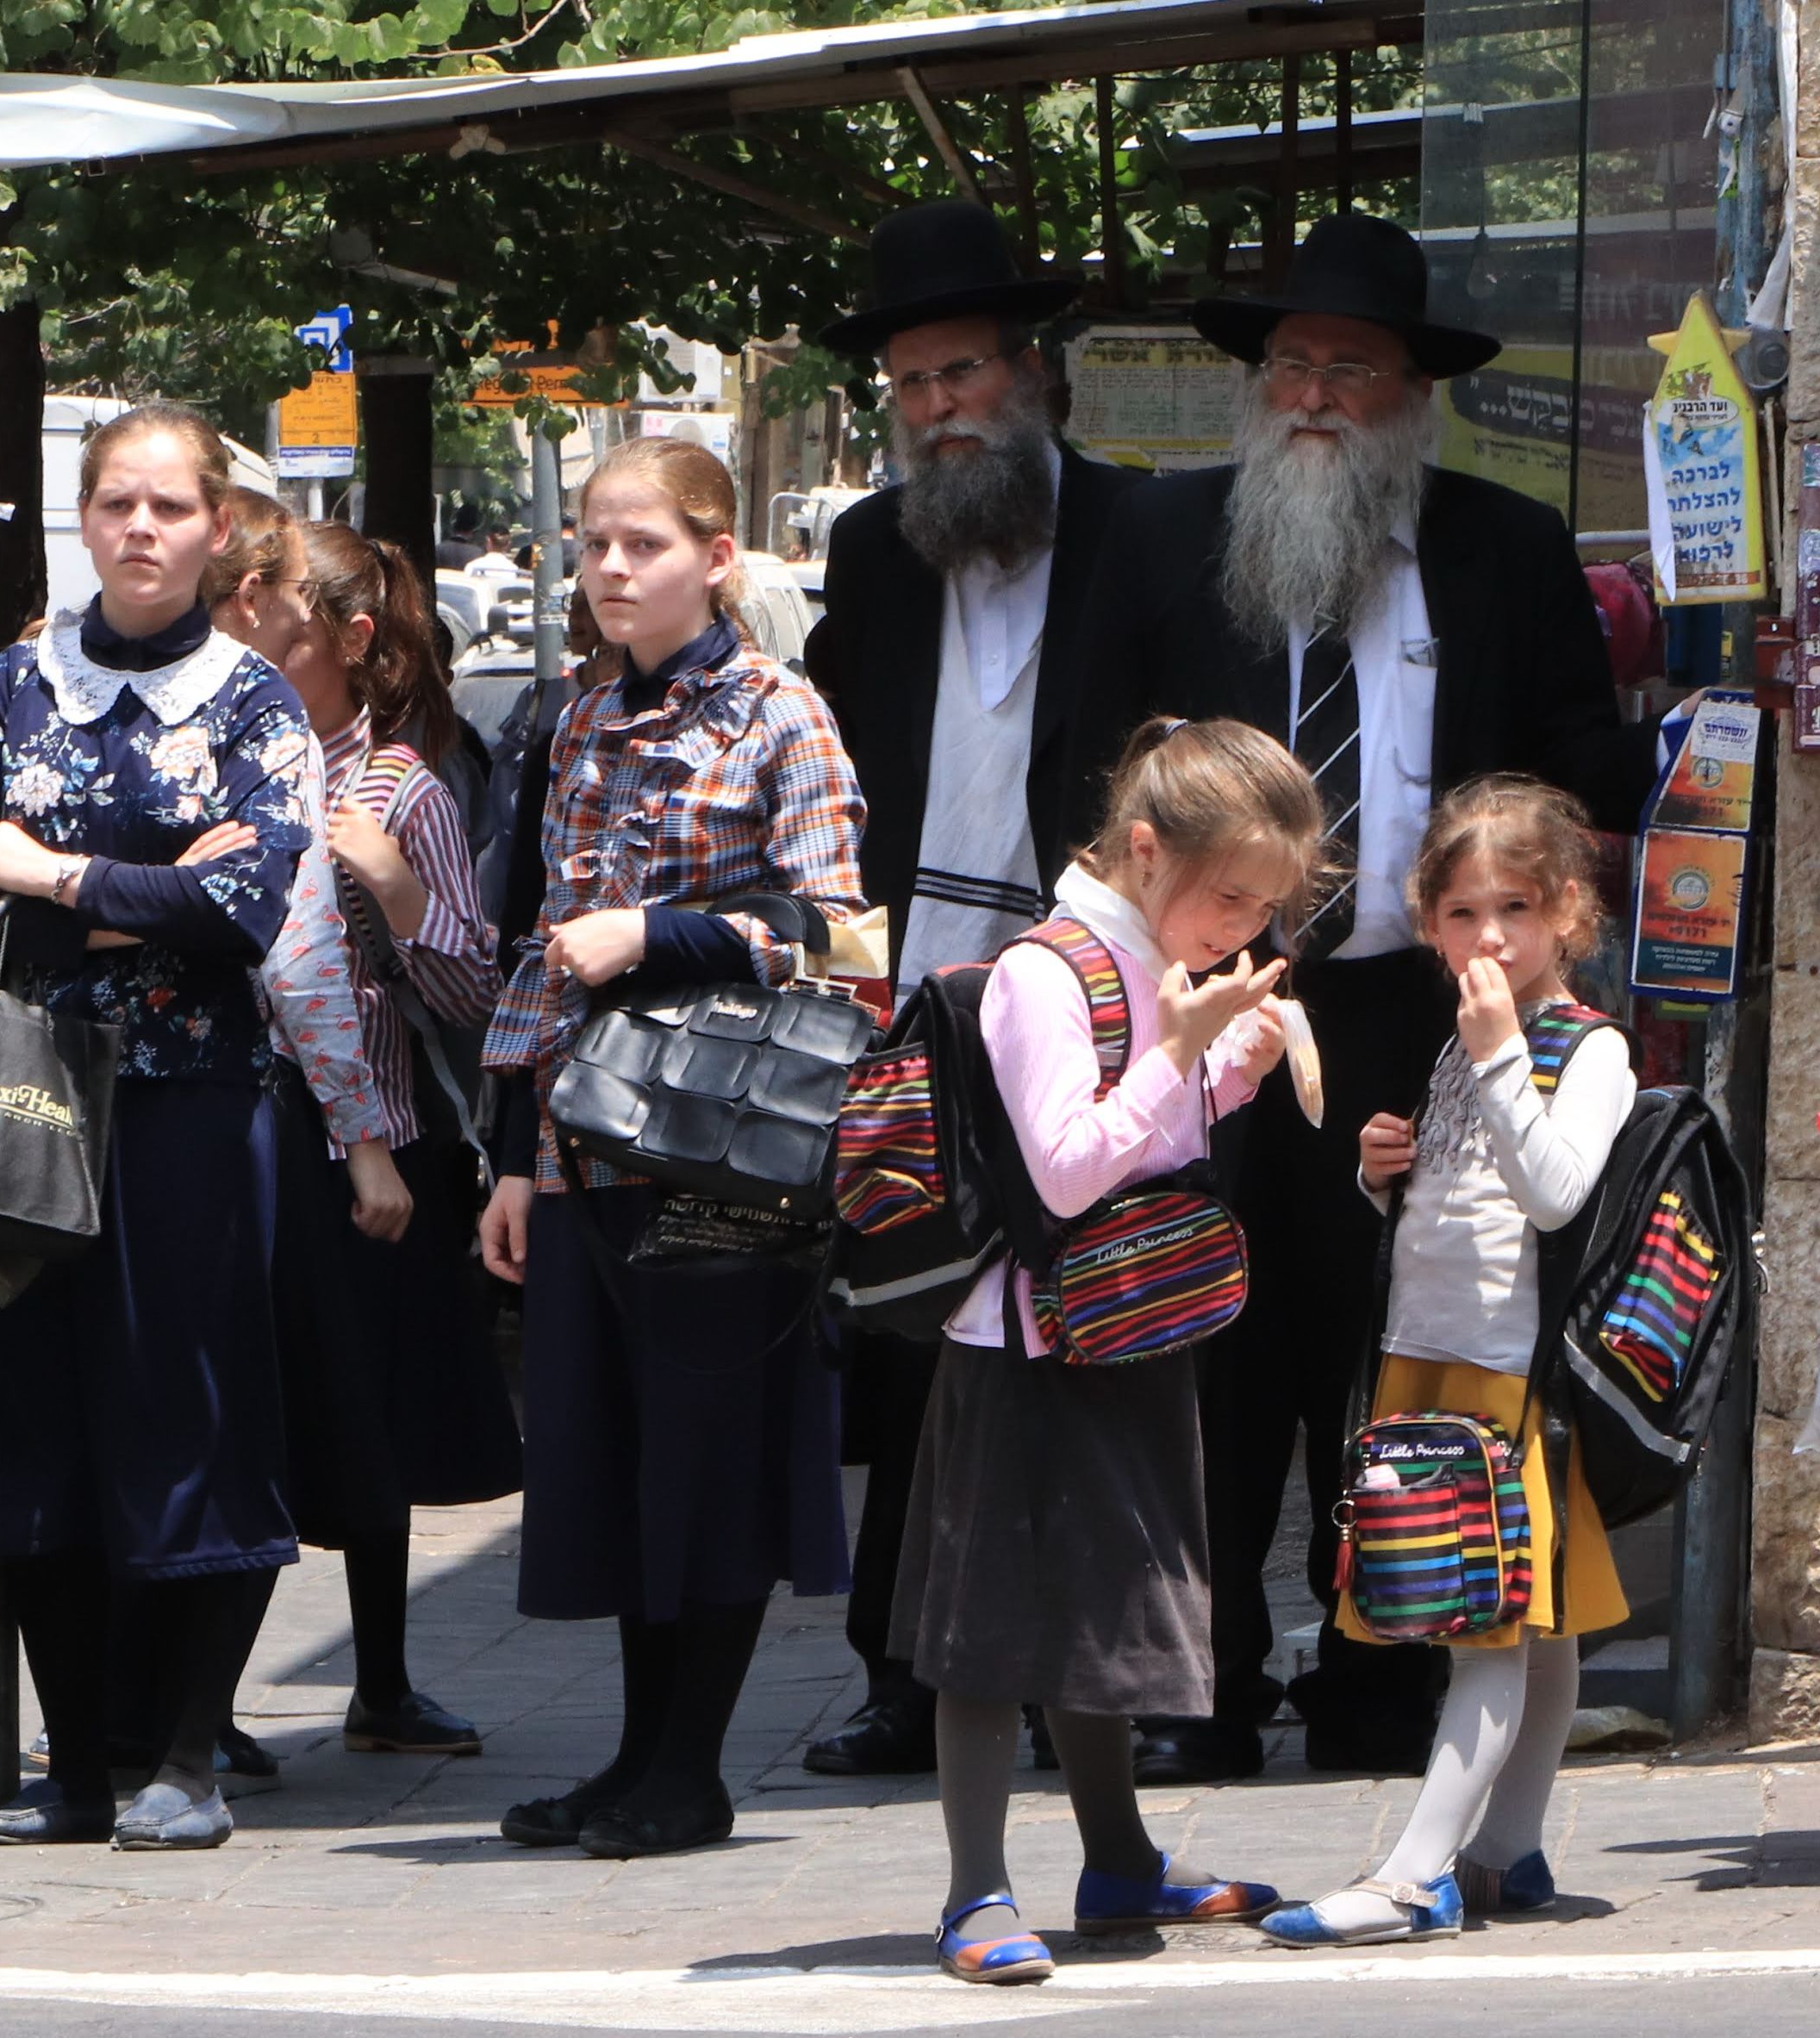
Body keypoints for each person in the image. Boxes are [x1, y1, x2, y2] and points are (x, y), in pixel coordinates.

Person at [1070, 211, 1648, 1782]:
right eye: (1297, 365)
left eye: (1358, 370)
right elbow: (1084, 757)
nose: (1320, 393)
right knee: (1207, 1346)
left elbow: (1583, 769)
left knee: (1393, 1346)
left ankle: (1379, 1679)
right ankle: (1197, 1683)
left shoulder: (1503, 547)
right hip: (1207, 1013)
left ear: (1412, 398)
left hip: (1420, 1010)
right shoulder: (1159, 536)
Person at [0, 404, 321, 1854]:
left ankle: (189, 1752)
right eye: (116, 505)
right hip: (17, 1099)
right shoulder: (12, 689)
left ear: (217, 528)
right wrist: (152, 875)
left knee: (189, 1414)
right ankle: (79, 1765)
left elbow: (250, 905)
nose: (141, 530)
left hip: (190, 1106)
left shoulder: (259, 702)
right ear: (83, 520)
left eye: (170, 507)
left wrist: (60, 869)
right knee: (38, 1425)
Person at [474, 436, 867, 1860]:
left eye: (644, 544)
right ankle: (636, 1759)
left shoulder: (782, 715)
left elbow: (845, 934)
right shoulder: (576, 717)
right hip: (585, 1144)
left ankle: (691, 1771)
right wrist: (514, 1155)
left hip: (724, 1148)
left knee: (708, 1463)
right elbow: (539, 955)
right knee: (618, 1463)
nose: (614, 570)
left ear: (718, 556)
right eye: (593, 545)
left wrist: (664, 934)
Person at [799, 197, 1150, 1779]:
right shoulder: (874, 552)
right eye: (912, 384)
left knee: (1091, 1337)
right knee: (911, 1340)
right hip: (913, 1013)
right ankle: (905, 1674)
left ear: (1031, 375)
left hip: (1086, 999)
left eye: (962, 376)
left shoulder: (1145, 531)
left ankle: (1106, 1676)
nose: (938, 409)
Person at [903, 717, 1312, 1985]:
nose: (1243, 924)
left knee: (1102, 1604)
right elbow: (1071, 1171)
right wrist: (1186, 1053)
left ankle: (1119, 1857)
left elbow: (1153, 1139)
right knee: (994, 1621)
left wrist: (1228, 1064)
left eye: (1265, 903)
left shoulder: (1155, 960)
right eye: (1228, 894)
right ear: (1145, 851)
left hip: (1123, 1326)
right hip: (1028, 1340)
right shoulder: (1050, 969)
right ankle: (973, 1889)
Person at [1257, 777, 1636, 1947]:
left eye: (1511, 909)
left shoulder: (1588, 1048)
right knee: (1540, 1615)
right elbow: (1451, 1216)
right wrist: (1383, 1181)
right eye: (1461, 912)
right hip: (1430, 1360)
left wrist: (1496, 1061)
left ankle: (1415, 1871)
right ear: (1426, 922)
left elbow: (1554, 1192)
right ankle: (1509, 1845)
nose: (1487, 937)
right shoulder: (1459, 1047)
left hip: (1513, 1375)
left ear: (1564, 912)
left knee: (1487, 1623)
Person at [222, 514, 519, 1760]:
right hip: (247, 1122)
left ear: (345, 637)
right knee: (253, 1412)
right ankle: (212, 1699)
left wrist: (397, 891)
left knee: (370, 1419)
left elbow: (471, 994)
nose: (241, 617)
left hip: (380, 1142)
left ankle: (380, 1681)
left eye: (267, 605)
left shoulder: (399, 786)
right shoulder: (222, 758)